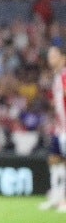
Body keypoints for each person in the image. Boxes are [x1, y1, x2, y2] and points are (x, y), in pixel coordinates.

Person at [39, 43, 66, 212]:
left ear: (63, 57)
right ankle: (57, 196)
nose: (50, 58)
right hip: (59, 127)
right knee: (55, 160)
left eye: (54, 55)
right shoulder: (57, 77)